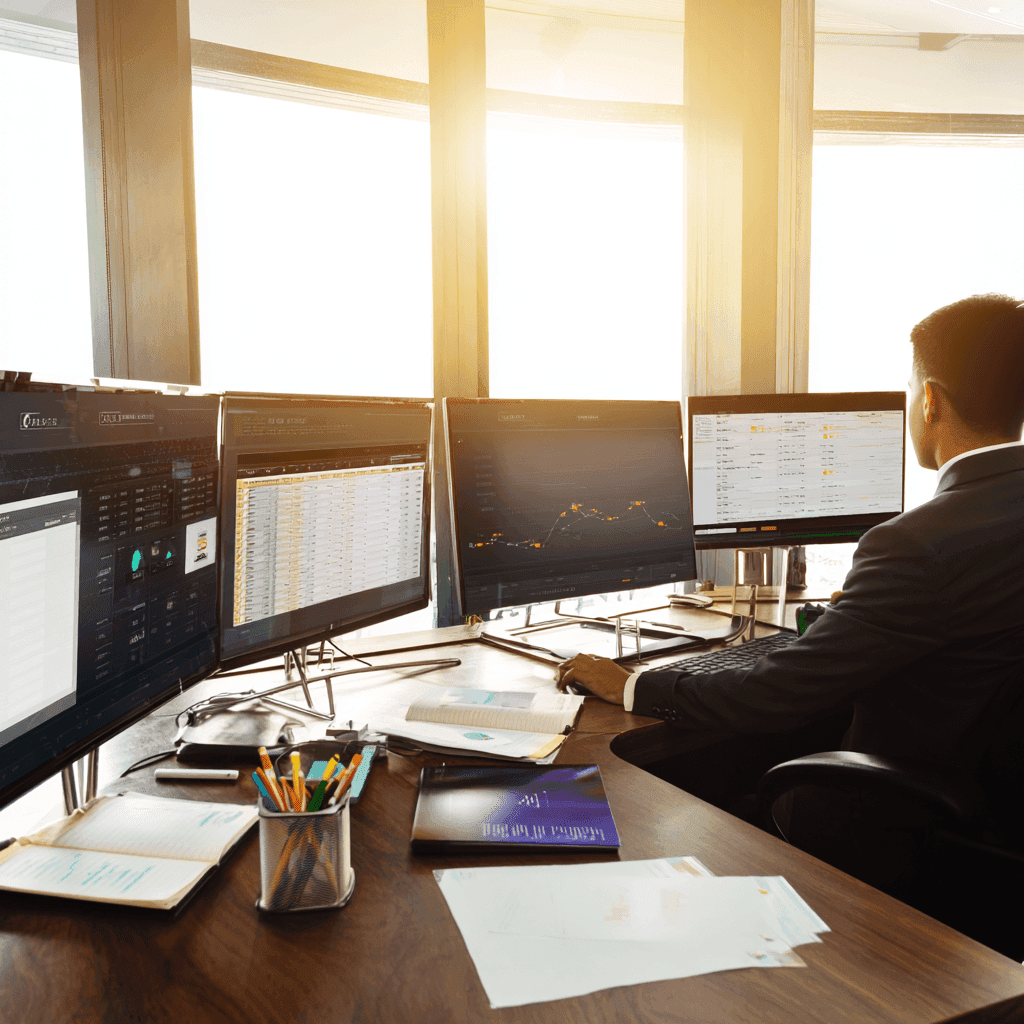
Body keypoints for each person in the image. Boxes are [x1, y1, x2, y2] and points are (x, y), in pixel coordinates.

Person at [556, 293, 1024, 777]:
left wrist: (630, 684)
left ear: (929, 400)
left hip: (905, 817)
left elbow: (772, 694)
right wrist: (865, 617)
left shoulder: (913, 547)